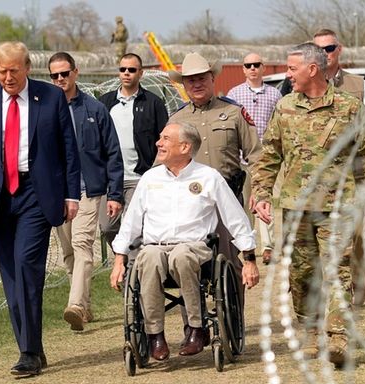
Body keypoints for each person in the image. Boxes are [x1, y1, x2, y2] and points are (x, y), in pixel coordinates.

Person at [251, 43, 365, 368]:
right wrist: (262, 192)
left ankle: (338, 338)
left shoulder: (349, 108)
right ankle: (310, 329)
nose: (288, 74)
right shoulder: (285, 108)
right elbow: (270, 154)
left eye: (292, 68)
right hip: (297, 207)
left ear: (312, 69)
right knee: (302, 273)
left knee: (337, 271)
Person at [0, 41, 81, 377]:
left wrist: (72, 195)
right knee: (11, 275)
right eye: (2, 70)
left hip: (36, 194)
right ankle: (33, 346)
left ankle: (27, 352)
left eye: (14, 70)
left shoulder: (51, 97)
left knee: (27, 265)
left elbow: (69, 149)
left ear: (28, 66)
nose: (8, 77)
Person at [110, 122, 259, 360]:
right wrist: (119, 259)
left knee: (181, 256)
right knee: (147, 258)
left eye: (166, 139)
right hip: (155, 247)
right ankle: (154, 334)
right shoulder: (149, 179)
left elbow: (235, 217)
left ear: (185, 147)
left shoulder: (209, 177)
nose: (159, 143)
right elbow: (131, 223)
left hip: (195, 248)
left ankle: (196, 328)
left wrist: (249, 258)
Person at [169, 52, 260, 303]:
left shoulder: (233, 113)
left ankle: (233, 321)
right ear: (184, 85)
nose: (196, 84)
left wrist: (259, 192)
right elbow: (165, 164)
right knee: (188, 262)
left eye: (201, 78)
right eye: (190, 81)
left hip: (226, 199)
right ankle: (195, 326)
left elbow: (256, 156)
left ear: (212, 78)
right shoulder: (176, 120)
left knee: (230, 260)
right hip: (189, 204)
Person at [48, 52, 124, 331]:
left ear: (75, 73)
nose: (59, 80)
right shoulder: (45, 111)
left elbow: (112, 152)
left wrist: (114, 194)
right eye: (54, 75)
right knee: (68, 252)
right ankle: (85, 306)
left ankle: (76, 305)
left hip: (87, 190)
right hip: (57, 193)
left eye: (64, 74)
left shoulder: (94, 110)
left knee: (82, 246)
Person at [99, 53, 168, 250]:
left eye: (131, 70)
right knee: (107, 226)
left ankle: (131, 273)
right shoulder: (105, 103)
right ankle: (122, 259)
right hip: (111, 178)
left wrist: (156, 171)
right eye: (123, 69)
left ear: (141, 73)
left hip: (140, 176)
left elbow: (164, 141)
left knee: (134, 228)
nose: (126, 73)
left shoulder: (153, 103)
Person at [226, 52, 281, 265]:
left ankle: (269, 246)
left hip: (266, 156)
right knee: (243, 203)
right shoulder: (235, 93)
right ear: (243, 69)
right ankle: (248, 244)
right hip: (240, 157)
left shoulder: (274, 94)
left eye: (256, 64)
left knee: (265, 201)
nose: (252, 68)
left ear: (263, 67)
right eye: (248, 65)